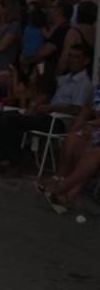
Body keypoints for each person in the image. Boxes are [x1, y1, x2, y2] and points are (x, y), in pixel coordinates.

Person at [0, 44, 94, 174]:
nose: (71, 59)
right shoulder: (64, 79)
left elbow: (77, 109)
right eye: (70, 56)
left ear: (85, 61)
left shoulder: (84, 84)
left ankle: (14, 161)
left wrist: (49, 107)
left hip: (59, 121)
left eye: (76, 57)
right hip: (46, 115)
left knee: (10, 120)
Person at [43, 84, 100, 213]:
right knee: (75, 139)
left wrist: (90, 124)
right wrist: (76, 128)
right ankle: (64, 186)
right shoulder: (97, 90)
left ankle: (64, 188)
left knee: (92, 153)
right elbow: (86, 111)